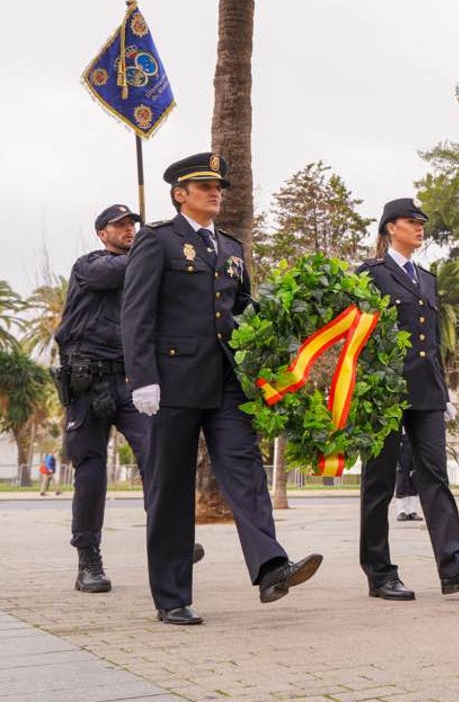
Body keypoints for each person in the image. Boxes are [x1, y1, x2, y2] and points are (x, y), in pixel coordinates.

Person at [122, 153, 321, 625]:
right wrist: (142, 378)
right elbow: (136, 313)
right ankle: (171, 596)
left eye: (219, 186)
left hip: (226, 382)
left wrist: (287, 325)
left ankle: (271, 567)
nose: (216, 192)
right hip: (171, 383)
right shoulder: (157, 240)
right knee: (172, 489)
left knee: (246, 471)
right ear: (180, 193)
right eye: (204, 185)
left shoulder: (231, 248)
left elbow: (244, 312)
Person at [55, 203, 205, 593]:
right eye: (118, 226)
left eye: (132, 225)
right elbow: (118, 272)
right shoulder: (91, 266)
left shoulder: (145, 269)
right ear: (102, 234)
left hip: (129, 378)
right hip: (87, 381)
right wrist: (151, 252)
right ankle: (88, 559)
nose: (127, 230)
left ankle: (171, 540)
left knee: (158, 459)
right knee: (90, 471)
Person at [357, 198, 459, 599]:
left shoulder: (427, 278)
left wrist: (443, 390)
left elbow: (431, 342)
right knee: (380, 482)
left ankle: (453, 567)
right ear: (390, 228)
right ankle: (380, 572)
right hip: (385, 392)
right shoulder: (370, 274)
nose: (419, 228)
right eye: (410, 221)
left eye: (422, 223)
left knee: (435, 476)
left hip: (427, 392)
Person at [394, 432, 421, 522]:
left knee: (414, 479)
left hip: (413, 442)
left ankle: (412, 511)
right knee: (402, 480)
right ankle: (401, 511)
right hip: (402, 445)